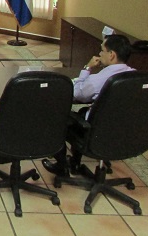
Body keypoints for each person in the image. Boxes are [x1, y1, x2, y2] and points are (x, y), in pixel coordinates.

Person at [42, 34, 135, 176]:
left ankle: (61, 166)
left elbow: (77, 93)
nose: (99, 54)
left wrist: (87, 68)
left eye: (102, 50)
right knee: (85, 111)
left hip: (96, 130)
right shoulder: (135, 76)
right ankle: (75, 162)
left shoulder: (101, 79)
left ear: (111, 55)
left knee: (59, 118)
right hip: (123, 130)